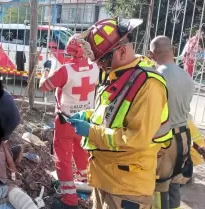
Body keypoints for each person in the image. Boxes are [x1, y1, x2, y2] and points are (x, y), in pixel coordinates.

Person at [68, 17, 173, 209]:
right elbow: (113, 115)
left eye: (102, 62)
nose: (99, 67)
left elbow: (137, 139)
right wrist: (90, 116)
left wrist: (91, 131)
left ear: (122, 51)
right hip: (106, 179)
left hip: (127, 188)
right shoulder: (121, 77)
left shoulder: (149, 86)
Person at [38, 34, 99, 209]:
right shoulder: (95, 68)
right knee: (83, 154)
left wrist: (46, 71)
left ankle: (69, 199)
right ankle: (89, 188)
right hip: (86, 121)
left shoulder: (65, 70)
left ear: (70, 51)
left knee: (62, 159)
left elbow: (44, 86)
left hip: (66, 122)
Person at [148, 35, 195, 209]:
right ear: (173, 50)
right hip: (183, 138)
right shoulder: (186, 76)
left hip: (164, 142)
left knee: (159, 188)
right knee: (175, 184)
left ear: (152, 55)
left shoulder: (155, 77)